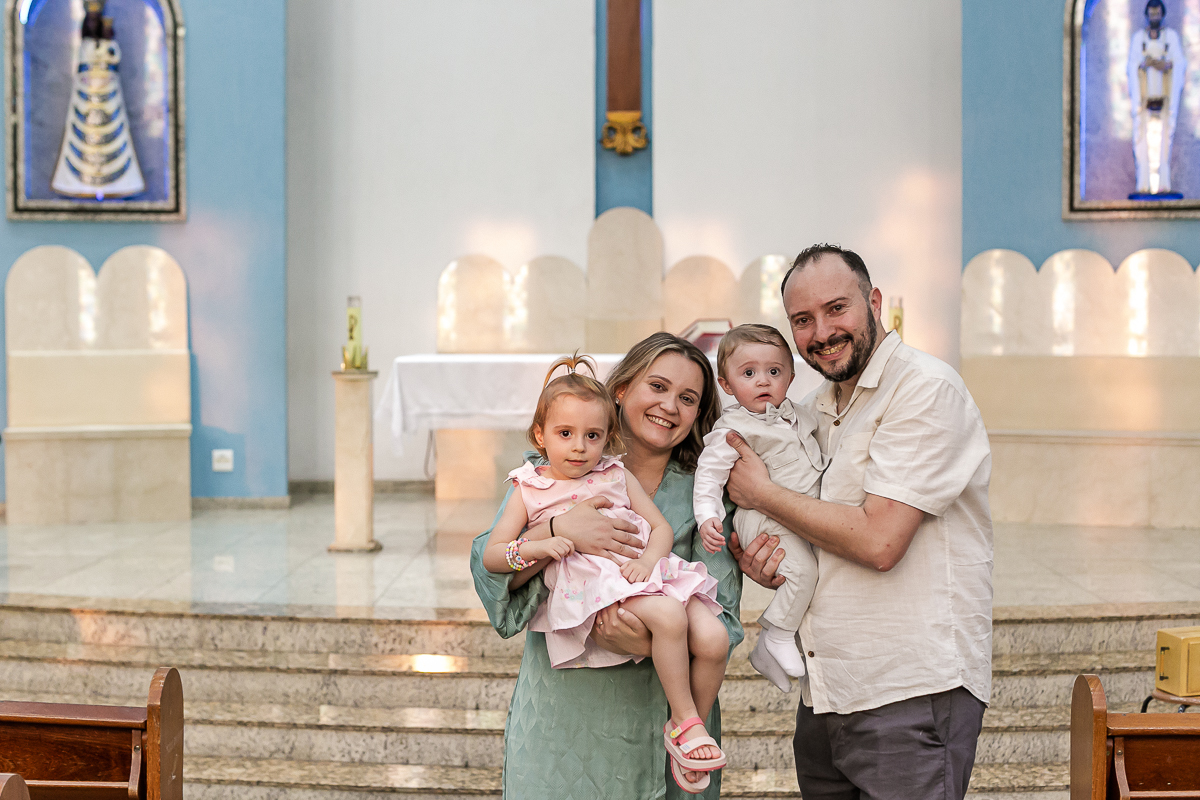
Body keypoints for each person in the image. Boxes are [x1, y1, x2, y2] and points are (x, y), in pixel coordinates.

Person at [727, 244, 993, 800]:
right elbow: (820, 527)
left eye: (836, 309)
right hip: (828, 692)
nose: (821, 332)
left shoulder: (922, 388)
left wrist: (764, 495)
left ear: (873, 303)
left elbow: (879, 540)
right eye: (803, 320)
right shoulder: (816, 406)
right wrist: (770, 558)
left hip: (908, 693)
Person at [470, 333, 744, 800]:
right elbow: (492, 571)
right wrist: (559, 527)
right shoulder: (546, 476)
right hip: (565, 719)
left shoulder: (707, 499)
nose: (669, 406)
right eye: (656, 386)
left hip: (662, 717)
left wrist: (634, 634)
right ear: (622, 390)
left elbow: (725, 619)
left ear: (699, 414)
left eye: (688, 398)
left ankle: (686, 730)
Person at [692, 324, 825, 690]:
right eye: (749, 373)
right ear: (727, 384)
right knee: (804, 573)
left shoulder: (801, 415)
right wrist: (708, 516)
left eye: (774, 372)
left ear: (791, 376)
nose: (762, 381)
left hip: (796, 513)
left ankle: (774, 646)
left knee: (812, 570)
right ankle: (774, 638)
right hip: (761, 517)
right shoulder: (732, 429)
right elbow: (709, 475)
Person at [1127, 0, 1186, 195]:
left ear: (1162, 14)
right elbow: (1132, 64)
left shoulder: (1171, 37)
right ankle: (1143, 185)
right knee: (1143, 140)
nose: (1154, 17)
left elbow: (1179, 63)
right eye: (1151, 14)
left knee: (1163, 141)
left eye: (1157, 14)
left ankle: (1163, 185)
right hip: (1145, 101)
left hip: (1164, 100)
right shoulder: (1139, 38)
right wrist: (1146, 63)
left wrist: (1166, 65)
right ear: (1146, 15)